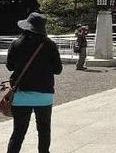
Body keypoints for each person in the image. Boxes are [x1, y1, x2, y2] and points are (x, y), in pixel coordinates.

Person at [6, 12, 62, 153]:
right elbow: (58, 70)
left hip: (21, 95)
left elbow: (10, 66)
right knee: (44, 131)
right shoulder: (50, 45)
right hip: (44, 96)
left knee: (18, 133)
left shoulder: (16, 43)